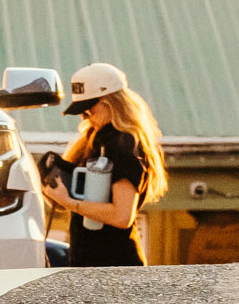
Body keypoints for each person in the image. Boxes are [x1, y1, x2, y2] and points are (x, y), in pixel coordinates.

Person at [40, 62, 165, 267]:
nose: (84, 116)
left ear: (110, 102)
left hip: (115, 266)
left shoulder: (123, 145)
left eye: (89, 108)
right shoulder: (96, 141)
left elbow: (122, 216)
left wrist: (69, 202)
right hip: (92, 264)